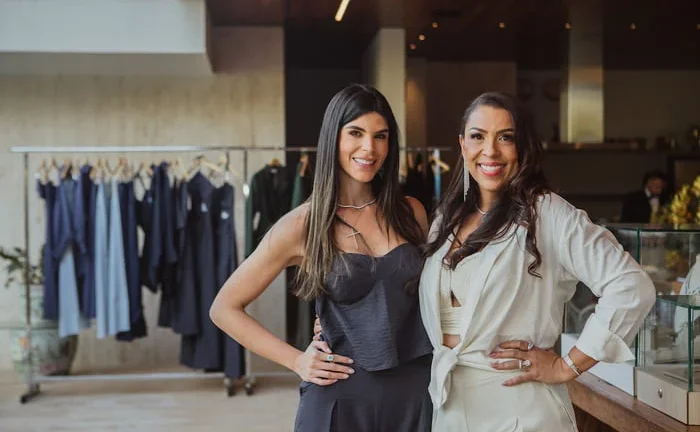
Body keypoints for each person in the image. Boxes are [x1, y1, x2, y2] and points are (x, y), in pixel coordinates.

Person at [418, 92, 656, 430]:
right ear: (462, 144)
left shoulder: (547, 213)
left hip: (522, 410)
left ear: (523, 147)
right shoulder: (447, 218)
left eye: (505, 137)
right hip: (452, 409)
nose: (490, 150)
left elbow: (632, 286)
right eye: (478, 136)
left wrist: (566, 366)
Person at [209, 83, 434, 431]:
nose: (369, 147)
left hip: (414, 394)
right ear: (333, 138)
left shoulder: (411, 212)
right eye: (356, 133)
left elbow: (438, 297)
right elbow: (224, 308)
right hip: (339, 397)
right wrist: (297, 361)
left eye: (381, 136)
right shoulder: (304, 224)